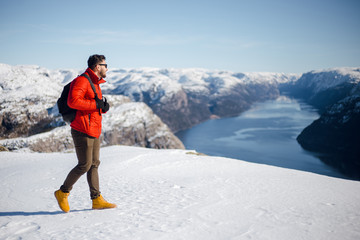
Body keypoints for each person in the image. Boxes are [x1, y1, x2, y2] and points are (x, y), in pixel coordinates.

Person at [54, 54, 116, 212]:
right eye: (105, 65)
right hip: (82, 129)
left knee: (94, 164)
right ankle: (63, 192)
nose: (107, 68)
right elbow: (73, 101)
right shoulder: (83, 80)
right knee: (84, 165)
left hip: (93, 128)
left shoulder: (95, 83)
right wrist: (96, 104)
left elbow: (92, 106)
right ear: (97, 67)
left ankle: (96, 200)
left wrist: (102, 107)